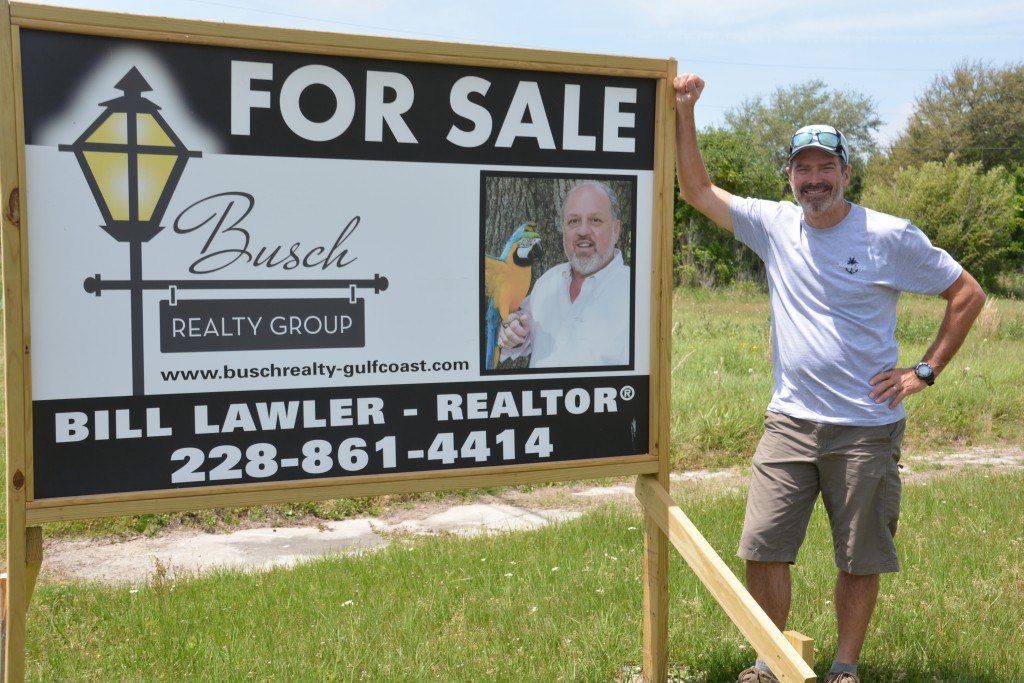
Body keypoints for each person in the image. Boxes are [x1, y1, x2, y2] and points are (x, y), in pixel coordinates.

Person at [673, 73, 986, 683]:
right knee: (763, 546)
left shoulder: (888, 236)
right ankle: (771, 660)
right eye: (802, 169)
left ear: (846, 172)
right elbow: (697, 190)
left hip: (866, 428)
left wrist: (924, 370)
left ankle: (845, 667)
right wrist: (686, 110)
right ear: (788, 177)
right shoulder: (773, 225)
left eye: (825, 168)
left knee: (857, 555)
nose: (813, 179)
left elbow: (966, 293)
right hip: (789, 421)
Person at [497, 180, 631, 368]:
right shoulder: (547, 282)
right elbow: (516, 329)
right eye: (573, 221)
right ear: (564, 230)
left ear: (616, 229)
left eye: (595, 220)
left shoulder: (638, 293)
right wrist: (513, 332)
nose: (583, 230)